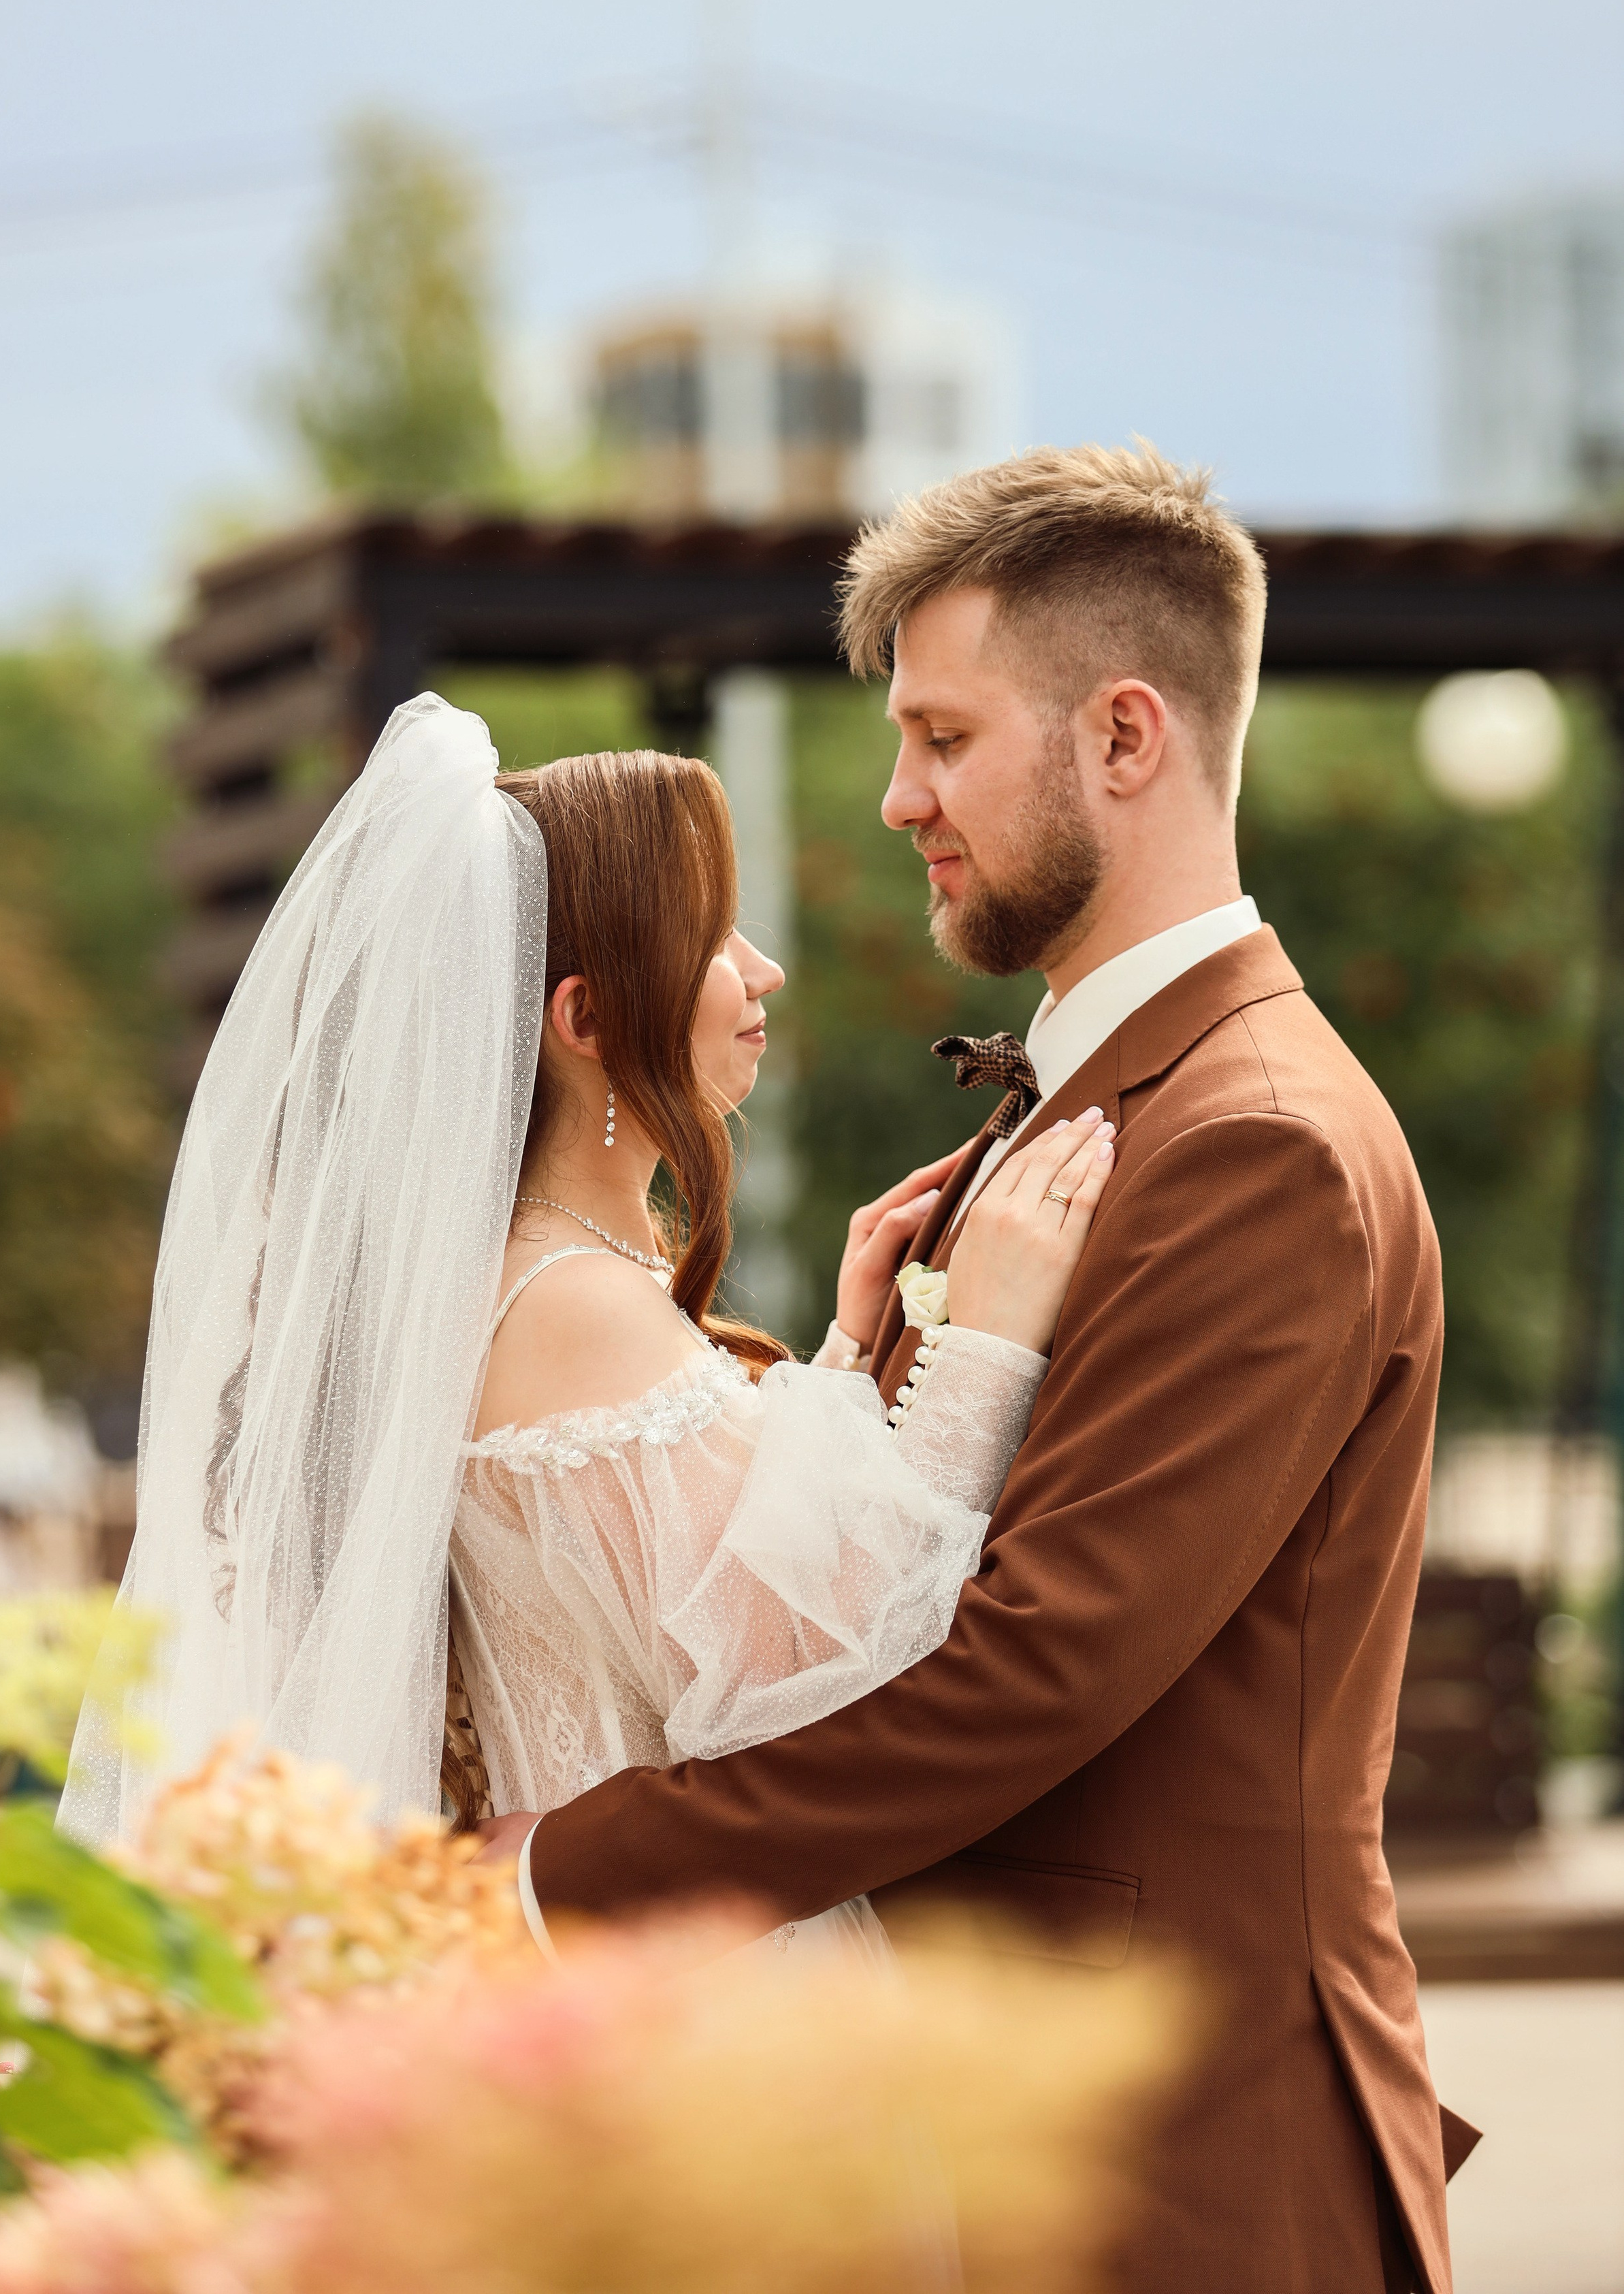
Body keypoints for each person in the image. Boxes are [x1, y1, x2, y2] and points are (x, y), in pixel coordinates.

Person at [481, 442, 1477, 2294]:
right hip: (987, 2133)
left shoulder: (1253, 1139)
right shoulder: (1083, 1110)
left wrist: (558, 1881)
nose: (894, 801)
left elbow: (1034, 1667)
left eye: (942, 740)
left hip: (1174, 2162)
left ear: (1124, 737)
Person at [60, 695, 1109, 1972]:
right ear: (585, 1019)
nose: (761, 968)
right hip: (673, 1973)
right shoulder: (568, 1305)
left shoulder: (560, 1277)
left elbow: (676, 1583)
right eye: (715, 937)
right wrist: (984, 1351)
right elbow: (827, 1669)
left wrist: (849, 1346)